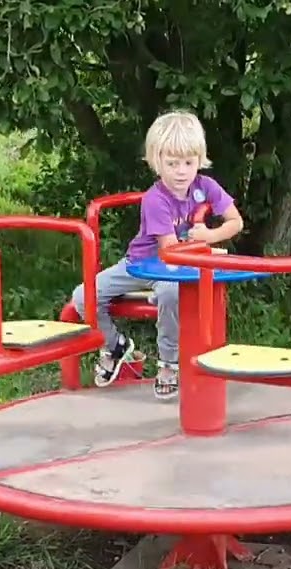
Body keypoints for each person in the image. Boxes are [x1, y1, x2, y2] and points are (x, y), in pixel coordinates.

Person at [69, 110, 244, 400]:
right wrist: (201, 243)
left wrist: (209, 236)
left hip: (178, 269)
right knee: (82, 297)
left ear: (199, 160)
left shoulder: (206, 187)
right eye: (172, 163)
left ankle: (168, 363)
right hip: (143, 264)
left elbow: (235, 222)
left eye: (188, 163)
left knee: (169, 293)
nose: (181, 171)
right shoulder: (156, 199)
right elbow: (171, 250)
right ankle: (115, 345)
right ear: (156, 162)